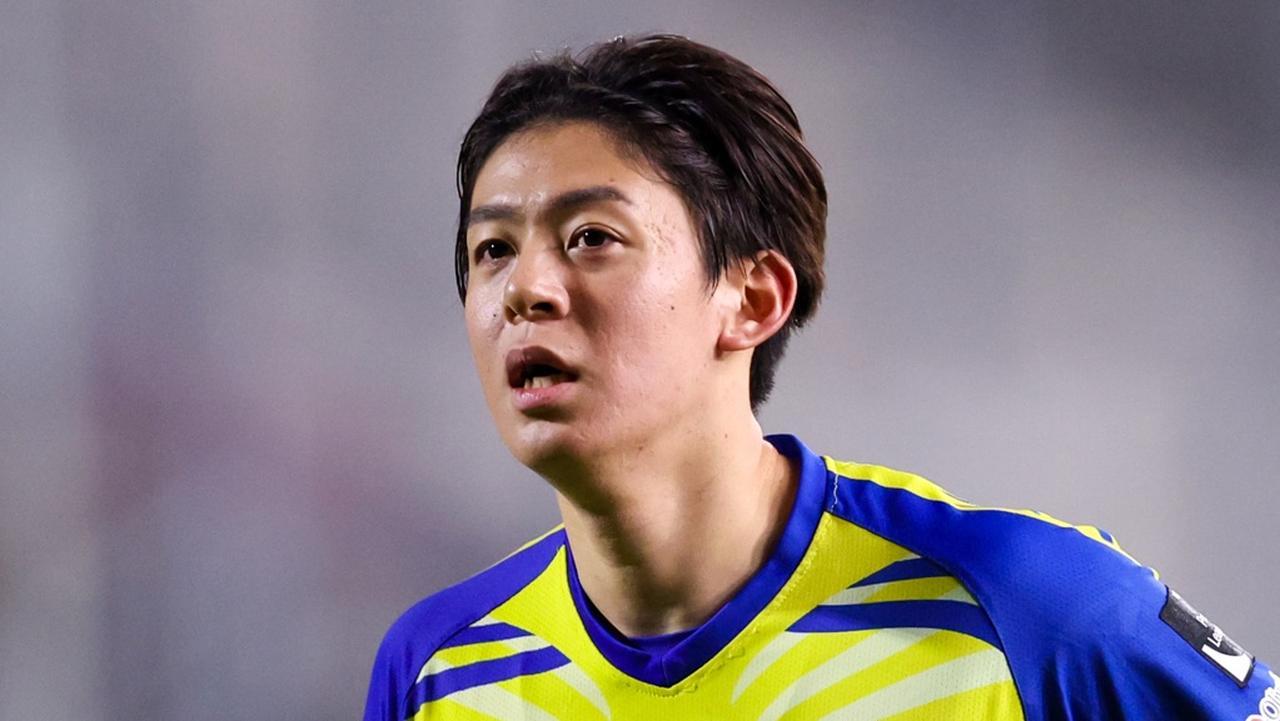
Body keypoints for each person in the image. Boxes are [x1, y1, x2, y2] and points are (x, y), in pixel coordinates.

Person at [364, 34, 1274, 720]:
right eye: (492, 249)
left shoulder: (1030, 605)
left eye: (591, 237)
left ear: (753, 299)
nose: (524, 288)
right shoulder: (437, 672)